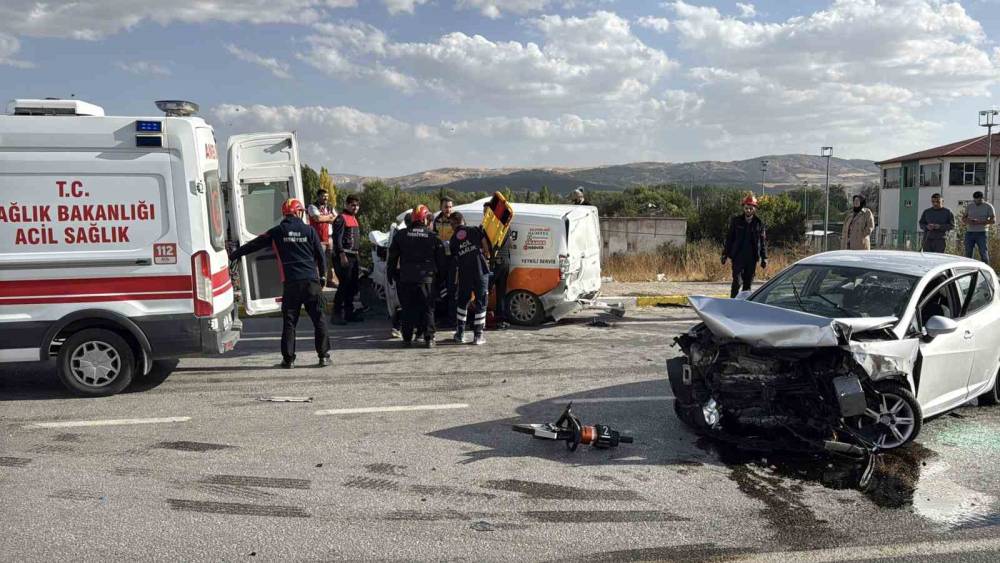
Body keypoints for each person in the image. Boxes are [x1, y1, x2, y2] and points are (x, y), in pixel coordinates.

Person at [229, 198, 330, 369]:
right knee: (319, 320)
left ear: (285, 213)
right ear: (298, 212)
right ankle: (323, 357)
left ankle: (288, 360)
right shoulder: (310, 231)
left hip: (291, 284)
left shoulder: (277, 231)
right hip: (311, 282)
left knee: (290, 322)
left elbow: (255, 244)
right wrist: (322, 278)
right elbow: (320, 256)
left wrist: (234, 255)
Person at [388, 205, 446, 348]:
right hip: (427, 279)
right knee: (428, 309)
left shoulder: (401, 235)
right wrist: (441, 279)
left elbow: (392, 258)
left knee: (407, 309)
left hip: (406, 278)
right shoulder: (433, 237)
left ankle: (407, 338)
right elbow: (441, 261)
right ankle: (429, 338)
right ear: (425, 219)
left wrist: (391, 274)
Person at [449, 212, 492, 345]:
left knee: (463, 302)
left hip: (465, 273)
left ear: (453, 224)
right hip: (480, 271)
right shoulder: (474, 230)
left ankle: (460, 334)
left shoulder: (453, 240)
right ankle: (478, 336)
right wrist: (487, 256)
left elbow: (455, 258)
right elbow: (485, 246)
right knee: (481, 301)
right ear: (463, 220)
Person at [721, 195, 767, 299]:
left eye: (751, 208)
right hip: (738, 257)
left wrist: (764, 257)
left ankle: (743, 305)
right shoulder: (736, 221)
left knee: (747, 286)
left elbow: (762, 242)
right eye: (746, 208)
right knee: (737, 282)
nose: (748, 210)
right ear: (743, 208)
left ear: (754, 208)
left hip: (752, 258)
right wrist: (725, 254)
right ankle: (732, 302)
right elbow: (729, 239)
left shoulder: (759, 223)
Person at [331, 194, 362, 325]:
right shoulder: (341, 218)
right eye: (353, 205)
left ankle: (349, 313)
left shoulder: (353, 218)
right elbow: (337, 238)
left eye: (357, 205)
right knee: (344, 285)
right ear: (347, 205)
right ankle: (336, 314)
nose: (355, 207)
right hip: (344, 256)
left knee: (352, 286)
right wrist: (342, 255)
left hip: (354, 256)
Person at [485, 201, 511, 329]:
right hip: (504, 262)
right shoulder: (505, 225)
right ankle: (501, 319)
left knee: (485, 290)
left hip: (496, 263)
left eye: (486, 211)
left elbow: (491, 245)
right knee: (501, 293)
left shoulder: (492, 226)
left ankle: (483, 317)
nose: (485, 214)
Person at [432, 197, 457, 327]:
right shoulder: (437, 220)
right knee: (440, 289)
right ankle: (441, 316)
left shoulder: (456, 219)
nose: (448, 209)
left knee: (451, 289)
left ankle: (451, 318)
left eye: (450, 207)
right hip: (440, 259)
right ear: (441, 207)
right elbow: (433, 236)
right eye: (446, 207)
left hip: (452, 259)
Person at [307, 189, 338, 287]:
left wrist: (325, 218)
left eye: (327, 196)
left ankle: (329, 280)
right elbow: (317, 218)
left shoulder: (330, 207)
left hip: (329, 238)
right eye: (324, 196)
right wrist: (329, 217)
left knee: (330, 261)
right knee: (318, 261)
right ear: (318, 196)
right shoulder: (312, 207)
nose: (326, 198)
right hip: (318, 239)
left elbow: (337, 219)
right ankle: (317, 282)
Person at [962, 191, 995, 263]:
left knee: (983, 253)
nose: (977, 201)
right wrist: (969, 221)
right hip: (969, 232)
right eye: (975, 200)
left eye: (979, 200)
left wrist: (980, 222)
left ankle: (985, 268)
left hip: (982, 233)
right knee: (968, 253)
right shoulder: (969, 206)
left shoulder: (988, 206)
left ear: (982, 198)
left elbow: (993, 220)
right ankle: (969, 268)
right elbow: (963, 218)